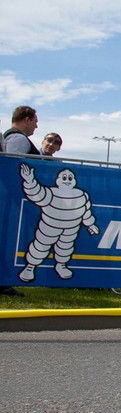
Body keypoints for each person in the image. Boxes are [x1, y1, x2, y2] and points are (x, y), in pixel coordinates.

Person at [1, 106, 41, 297]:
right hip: (14, 200)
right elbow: (12, 166)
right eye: (35, 121)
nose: (36, 125)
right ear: (26, 119)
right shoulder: (17, 139)